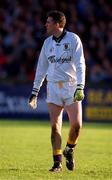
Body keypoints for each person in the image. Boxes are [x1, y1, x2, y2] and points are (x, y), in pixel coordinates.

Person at [28, 10, 86, 172]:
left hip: (71, 86)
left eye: (48, 22)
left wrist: (80, 86)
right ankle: (57, 163)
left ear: (57, 24)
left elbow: (81, 65)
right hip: (53, 87)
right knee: (55, 127)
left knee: (77, 126)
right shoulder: (47, 43)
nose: (45, 24)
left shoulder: (74, 39)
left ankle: (70, 149)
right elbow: (41, 68)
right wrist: (35, 91)